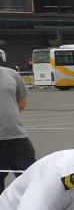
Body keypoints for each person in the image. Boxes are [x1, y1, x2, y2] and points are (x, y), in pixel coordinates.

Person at [0, 63, 34, 192]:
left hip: (18, 139)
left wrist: (9, 117)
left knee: (31, 182)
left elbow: (21, 101)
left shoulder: (12, 74)